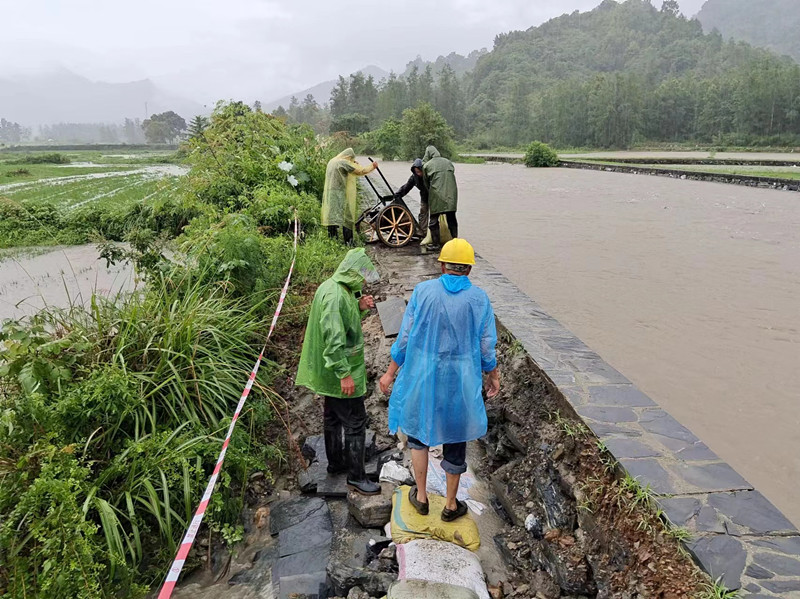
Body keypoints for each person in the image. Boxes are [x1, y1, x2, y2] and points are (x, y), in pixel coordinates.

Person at [379, 239, 500, 520]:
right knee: (456, 438)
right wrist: (492, 376)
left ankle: (420, 498)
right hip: (461, 381)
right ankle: (450, 505)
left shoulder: (423, 292)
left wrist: (390, 372)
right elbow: (486, 346)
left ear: (442, 264)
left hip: (424, 375)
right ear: (469, 269)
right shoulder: (479, 299)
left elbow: (406, 337)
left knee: (419, 434)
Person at [296, 248, 381, 495]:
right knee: (355, 422)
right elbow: (334, 340)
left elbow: (345, 317)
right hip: (339, 368)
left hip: (328, 370)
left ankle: (335, 463)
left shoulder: (335, 287)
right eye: (362, 277)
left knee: (332, 417)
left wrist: (359, 305)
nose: (364, 282)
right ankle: (356, 476)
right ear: (352, 273)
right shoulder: (334, 297)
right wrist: (344, 374)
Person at [322, 149, 378, 245]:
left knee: (332, 215)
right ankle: (349, 241)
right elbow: (360, 171)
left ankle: (332, 240)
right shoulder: (344, 162)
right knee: (347, 216)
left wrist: (353, 163)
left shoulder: (332, 161)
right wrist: (372, 166)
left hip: (330, 192)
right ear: (349, 157)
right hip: (340, 192)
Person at [422, 145, 458, 248]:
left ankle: (436, 244)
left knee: (433, 221)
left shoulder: (427, 165)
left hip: (436, 195)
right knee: (452, 219)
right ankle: (455, 241)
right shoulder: (448, 162)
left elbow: (426, 184)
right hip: (452, 195)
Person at [394, 158, 429, 239]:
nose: (419, 173)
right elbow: (407, 187)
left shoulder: (428, 175)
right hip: (424, 196)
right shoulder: (414, 177)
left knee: (434, 216)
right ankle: (423, 233)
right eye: (417, 172)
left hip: (433, 196)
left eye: (420, 171)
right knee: (423, 214)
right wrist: (398, 194)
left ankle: (436, 233)